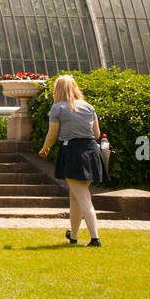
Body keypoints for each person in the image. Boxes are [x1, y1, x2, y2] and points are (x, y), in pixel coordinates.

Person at [39, 74, 106, 247]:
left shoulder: (57, 108)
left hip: (72, 151)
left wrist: (45, 148)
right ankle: (73, 236)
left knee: (83, 196)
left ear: (57, 90)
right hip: (91, 151)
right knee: (75, 196)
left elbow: (52, 134)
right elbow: (97, 134)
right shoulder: (88, 107)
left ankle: (95, 237)